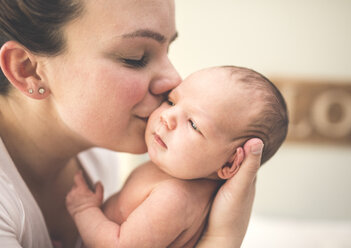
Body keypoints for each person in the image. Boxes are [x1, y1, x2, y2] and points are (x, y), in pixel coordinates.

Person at [0, 0, 264, 247]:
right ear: (28, 70)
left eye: (167, 49)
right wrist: (221, 237)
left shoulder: (100, 157)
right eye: (135, 57)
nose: (174, 80)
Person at [65, 66, 288, 248]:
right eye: (171, 101)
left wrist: (84, 209)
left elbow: (117, 245)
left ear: (230, 162)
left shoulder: (175, 198)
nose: (167, 116)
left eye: (193, 124)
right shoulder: (173, 177)